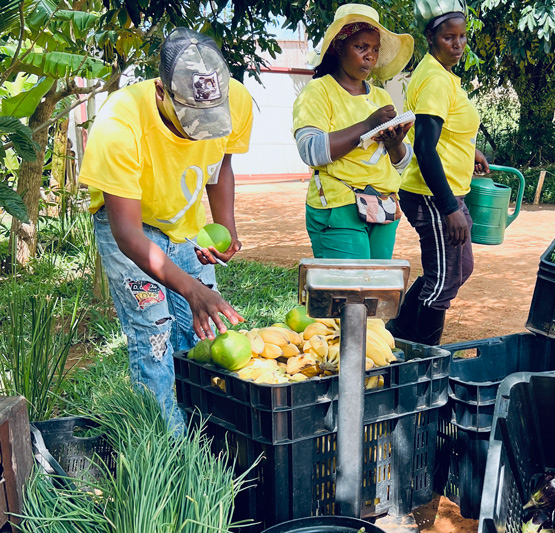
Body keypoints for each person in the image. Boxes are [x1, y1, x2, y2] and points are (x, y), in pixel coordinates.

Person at [78, 28, 254, 430]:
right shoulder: (119, 123)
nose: (199, 131)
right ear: (161, 90)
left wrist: (225, 227)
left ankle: (207, 430)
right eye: (191, 118)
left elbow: (221, 164)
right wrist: (191, 288)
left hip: (185, 224)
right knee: (154, 334)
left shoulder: (237, 99)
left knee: (202, 337)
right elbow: (128, 235)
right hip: (131, 229)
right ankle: (167, 445)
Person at [386, 0, 490, 346]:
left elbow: (441, 132)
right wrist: (449, 208)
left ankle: (398, 333)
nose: (458, 45)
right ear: (431, 37)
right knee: (443, 282)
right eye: (449, 38)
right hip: (432, 196)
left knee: (457, 270)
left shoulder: (441, 74)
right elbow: (425, 147)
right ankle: (422, 356)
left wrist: (468, 150)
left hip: (445, 192)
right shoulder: (435, 80)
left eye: (462, 37)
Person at [293, 4, 414, 259]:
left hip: (383, 206)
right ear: (339, 47)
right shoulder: (318, 92)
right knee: (352, 282)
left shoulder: (380, 96)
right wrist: (368, 125)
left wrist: (395, 144)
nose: (370, 56)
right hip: (338, 205)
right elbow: (311, 151)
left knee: (377, 283)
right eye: (361, 47)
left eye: (375, 49)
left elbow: (402, 163)